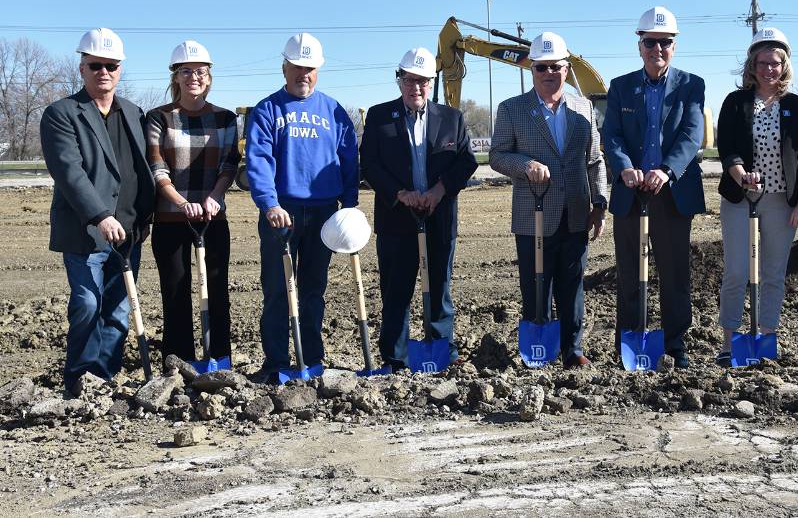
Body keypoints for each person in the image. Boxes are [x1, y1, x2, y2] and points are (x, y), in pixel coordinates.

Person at [39, 28, 155, 391]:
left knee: (119, 311)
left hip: (129, 232)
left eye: (111, 65)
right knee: (88, 303)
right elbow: (69, 172)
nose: (103, 72)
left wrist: (146, 217)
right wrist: (101, 216)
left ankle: (104, 380)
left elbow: (144, 171)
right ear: (82, 69)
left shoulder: (135, 114)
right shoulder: (61, 114)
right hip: (85, 232)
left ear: (120, 69)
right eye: (95, 65)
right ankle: (78, 378)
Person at [490, 32, 608, 368]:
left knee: (572, 285)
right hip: (533, 213)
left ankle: (572, 349)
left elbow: (595, 160)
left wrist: (599, 204)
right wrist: (525, 165)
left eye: (555, 66)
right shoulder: (512, 109)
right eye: (541, 67)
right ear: (531, 69)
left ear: (567, 69)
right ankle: (539, 345)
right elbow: (498, 155)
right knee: (535, 283)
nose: (548, 73)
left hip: (575, 212)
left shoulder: (583, 107)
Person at [245, 33, 359, 382]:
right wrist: (269, 204)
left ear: (318, 70)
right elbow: (258, 161)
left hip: (324, 212)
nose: (303, 75)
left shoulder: (334, 110)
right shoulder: (268, 109)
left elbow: (349, 159)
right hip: (282, 213)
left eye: (309, 69)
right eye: (296, 68)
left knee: (313, 291)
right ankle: (276, 362)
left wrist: (350, 205)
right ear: (284, 68)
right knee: (278, 291)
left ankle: (312, 360)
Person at [359, 47, 477, 371]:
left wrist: (439, 191)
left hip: (439, 220)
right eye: (410, 80)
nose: (416, 87)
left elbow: (466, 161)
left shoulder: (452, 118)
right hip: (397, 218)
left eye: (423, 81)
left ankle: (441, 352)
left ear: (432, 83)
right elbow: (369, 163)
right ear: (399, 81)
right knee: (396, 292)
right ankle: (395, 358)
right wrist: (401, 194)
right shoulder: (380, 117)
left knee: (438, 289)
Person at [602, 6, 705, 368]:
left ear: (674, 46)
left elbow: (693, 135)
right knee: (630, 272)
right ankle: (630, 343)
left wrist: (667, 170)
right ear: (639, 44)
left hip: (671, 193)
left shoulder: (692, 85)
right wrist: (625, 168)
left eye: (665, 43)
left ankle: (675, 345)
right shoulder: (620, 87)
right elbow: (611, 135)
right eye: (650, 42)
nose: (657, 49)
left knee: (674, 272)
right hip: (631, 193)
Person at [714, 28, 798, 366]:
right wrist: (740, 174)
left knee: (773, 273)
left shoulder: (797, 107)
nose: (769, 69)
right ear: (752, 65)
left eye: (775, 63)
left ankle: (766, 338)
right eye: (762, 62)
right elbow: (727, 149)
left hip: (780, 201)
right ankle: (730, 342)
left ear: (784, 66)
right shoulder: (735, 103)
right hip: (740, 199)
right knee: (736, 272)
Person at [145, 41, 239, 367]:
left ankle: (219, 360)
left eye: (200, 72)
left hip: (213, 218)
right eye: (185, 71)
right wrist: (181, 202)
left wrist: (214, 197)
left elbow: (230, 164)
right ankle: (178, 363)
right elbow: (157, 168)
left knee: (216, 292)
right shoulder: (159, 118)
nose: (193, 78)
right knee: (176, 294)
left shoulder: (225, 119)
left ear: (209, 77)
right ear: (176, 77)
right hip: (171, 218)